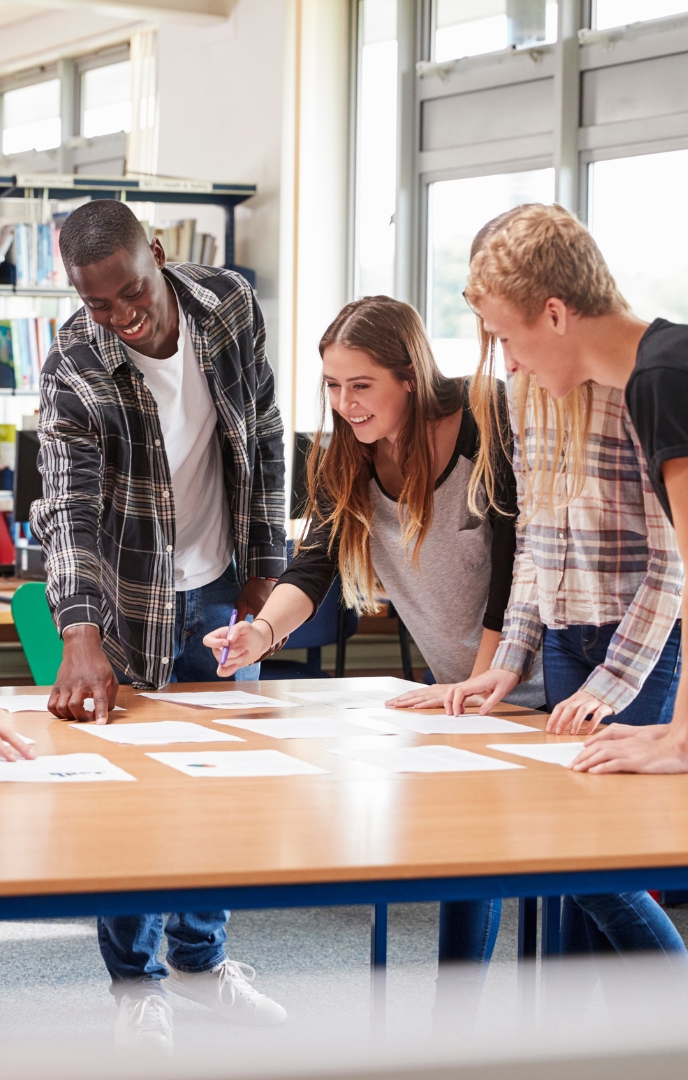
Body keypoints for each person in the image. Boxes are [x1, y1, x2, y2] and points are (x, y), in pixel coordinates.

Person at [203, 294, 542, 1029]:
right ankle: (454, 1029)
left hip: (530, 671)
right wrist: (260, 632)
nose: (345, 404)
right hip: (462, 685)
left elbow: (517, 571)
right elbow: (313, 566)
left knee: (589, 881)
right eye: (332, 385)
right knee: (467, 859)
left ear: (409, 377)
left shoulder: (487, 427)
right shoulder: (345, 459)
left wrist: (483, 683)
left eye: (361, 385)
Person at [29, 199, 287, 1053]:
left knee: (219, 787)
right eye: (97, 301)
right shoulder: (75, 355)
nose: (120, 315)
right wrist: (78, 632)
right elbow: (66, 503)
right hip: (129, 595)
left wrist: (267, 562)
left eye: (131, 292)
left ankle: (202, 963)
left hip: (218, 589)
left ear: (162, 256)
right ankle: (136, 985)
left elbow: (266, 429)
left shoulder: (228, 307)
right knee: (127, 804)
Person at [449, 203, 688, 975]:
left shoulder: (652, 382)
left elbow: (684, 563)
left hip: (643, 641)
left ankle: (674, 1031)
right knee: (570, 877)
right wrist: (510, 658)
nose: (506, 362)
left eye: (509, 338)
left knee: (602, 870)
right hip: (565, 637)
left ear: (554, 312)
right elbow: (536, 534)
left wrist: (626, 688)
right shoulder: (528, 390)